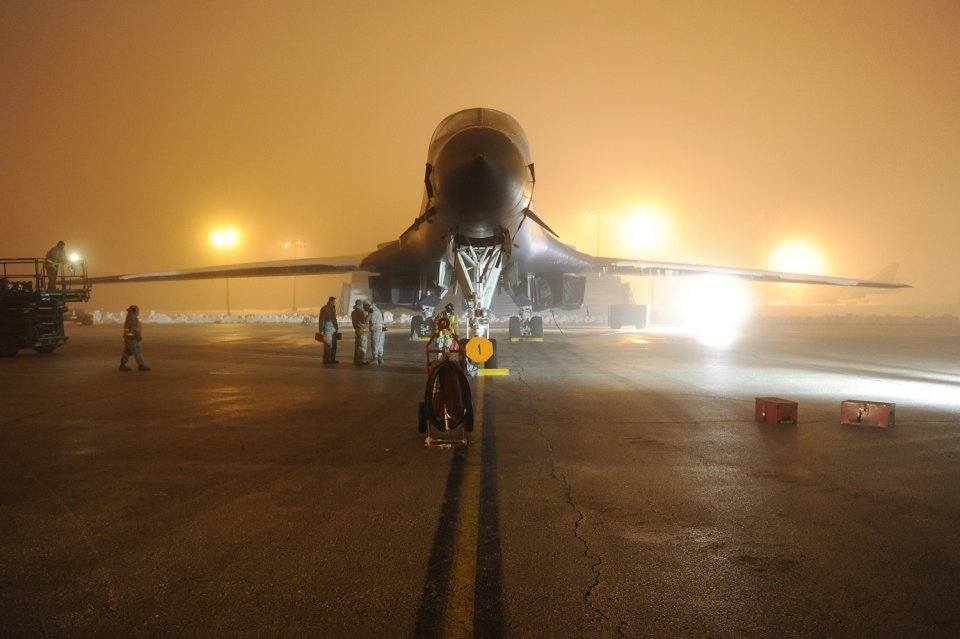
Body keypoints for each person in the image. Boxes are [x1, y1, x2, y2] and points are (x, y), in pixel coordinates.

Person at [119, 305, 150, 372]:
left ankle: (122, 365)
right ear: (135, 310)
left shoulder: (130, 316)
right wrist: (137, 335)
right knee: (137, 351)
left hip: (128, 338)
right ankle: (141, 365)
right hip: (132, 338)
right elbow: (133, 327)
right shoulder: (132, 317)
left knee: (127, 351)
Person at [318, 296, 340, 364]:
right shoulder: (324, 309)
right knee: (328, 345)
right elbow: (321, 319)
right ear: (331, 301)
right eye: (334, 302)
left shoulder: (333, 309)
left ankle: (332, 359)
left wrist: (336, 327)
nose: (335, 303)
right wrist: (321, 329)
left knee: (334, 345)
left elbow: (334, 319)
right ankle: (326, 359)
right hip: (327, 329)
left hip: (333, 329)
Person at [365, 300, 385, 365]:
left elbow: (366, 320)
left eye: (364, 307)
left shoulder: (371, 310)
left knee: (375, 343)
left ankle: (375, 359)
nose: (364, 309)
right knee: (381, 343)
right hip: (383, 327)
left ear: (367, 306)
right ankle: (380, 358)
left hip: (376, 328)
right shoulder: (378, 309)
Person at [350, 300, 370, 365]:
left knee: (357, 347)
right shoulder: (361, 312)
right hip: (363, 331)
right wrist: (370, 314)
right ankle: (360, 361)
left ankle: (356, 361)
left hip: (357, 331)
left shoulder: (353, 312)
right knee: (362, 347)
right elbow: (365, 321)